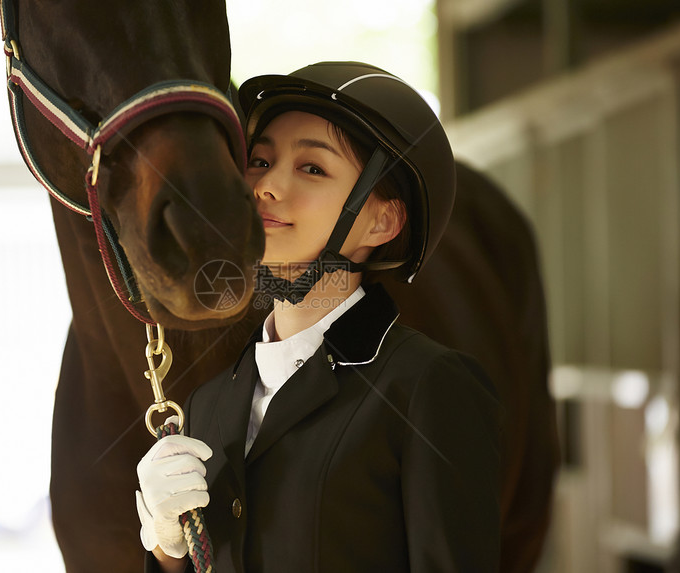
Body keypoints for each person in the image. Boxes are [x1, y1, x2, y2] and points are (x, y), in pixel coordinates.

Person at [135, 62, 502, 573]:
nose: (266, 187)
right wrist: (167, 549)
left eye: (312, 168)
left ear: (382, 220)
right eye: (259, 161)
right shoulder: (207, 405)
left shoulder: (430, 389)